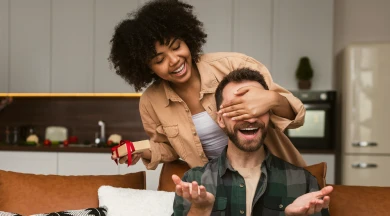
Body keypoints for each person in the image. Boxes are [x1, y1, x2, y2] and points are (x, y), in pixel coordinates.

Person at [109, 0, 306, 170]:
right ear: (148, 68)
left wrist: (271, 99)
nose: (174, 60)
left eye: (176, 47)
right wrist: (141, 149)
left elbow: (296, 117)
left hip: (277, 178)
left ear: (187, 39)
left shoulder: (233, 65)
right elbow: (170, 149)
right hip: (220, 189)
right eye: (159, 60)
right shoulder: (151, 102)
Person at [172, 68, 332, 216]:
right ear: (220, 119)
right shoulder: (194, 182)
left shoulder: (302, 181)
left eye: (257, 108)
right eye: (237, 109)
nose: (249, 117)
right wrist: (200, 210)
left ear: (269, 114)